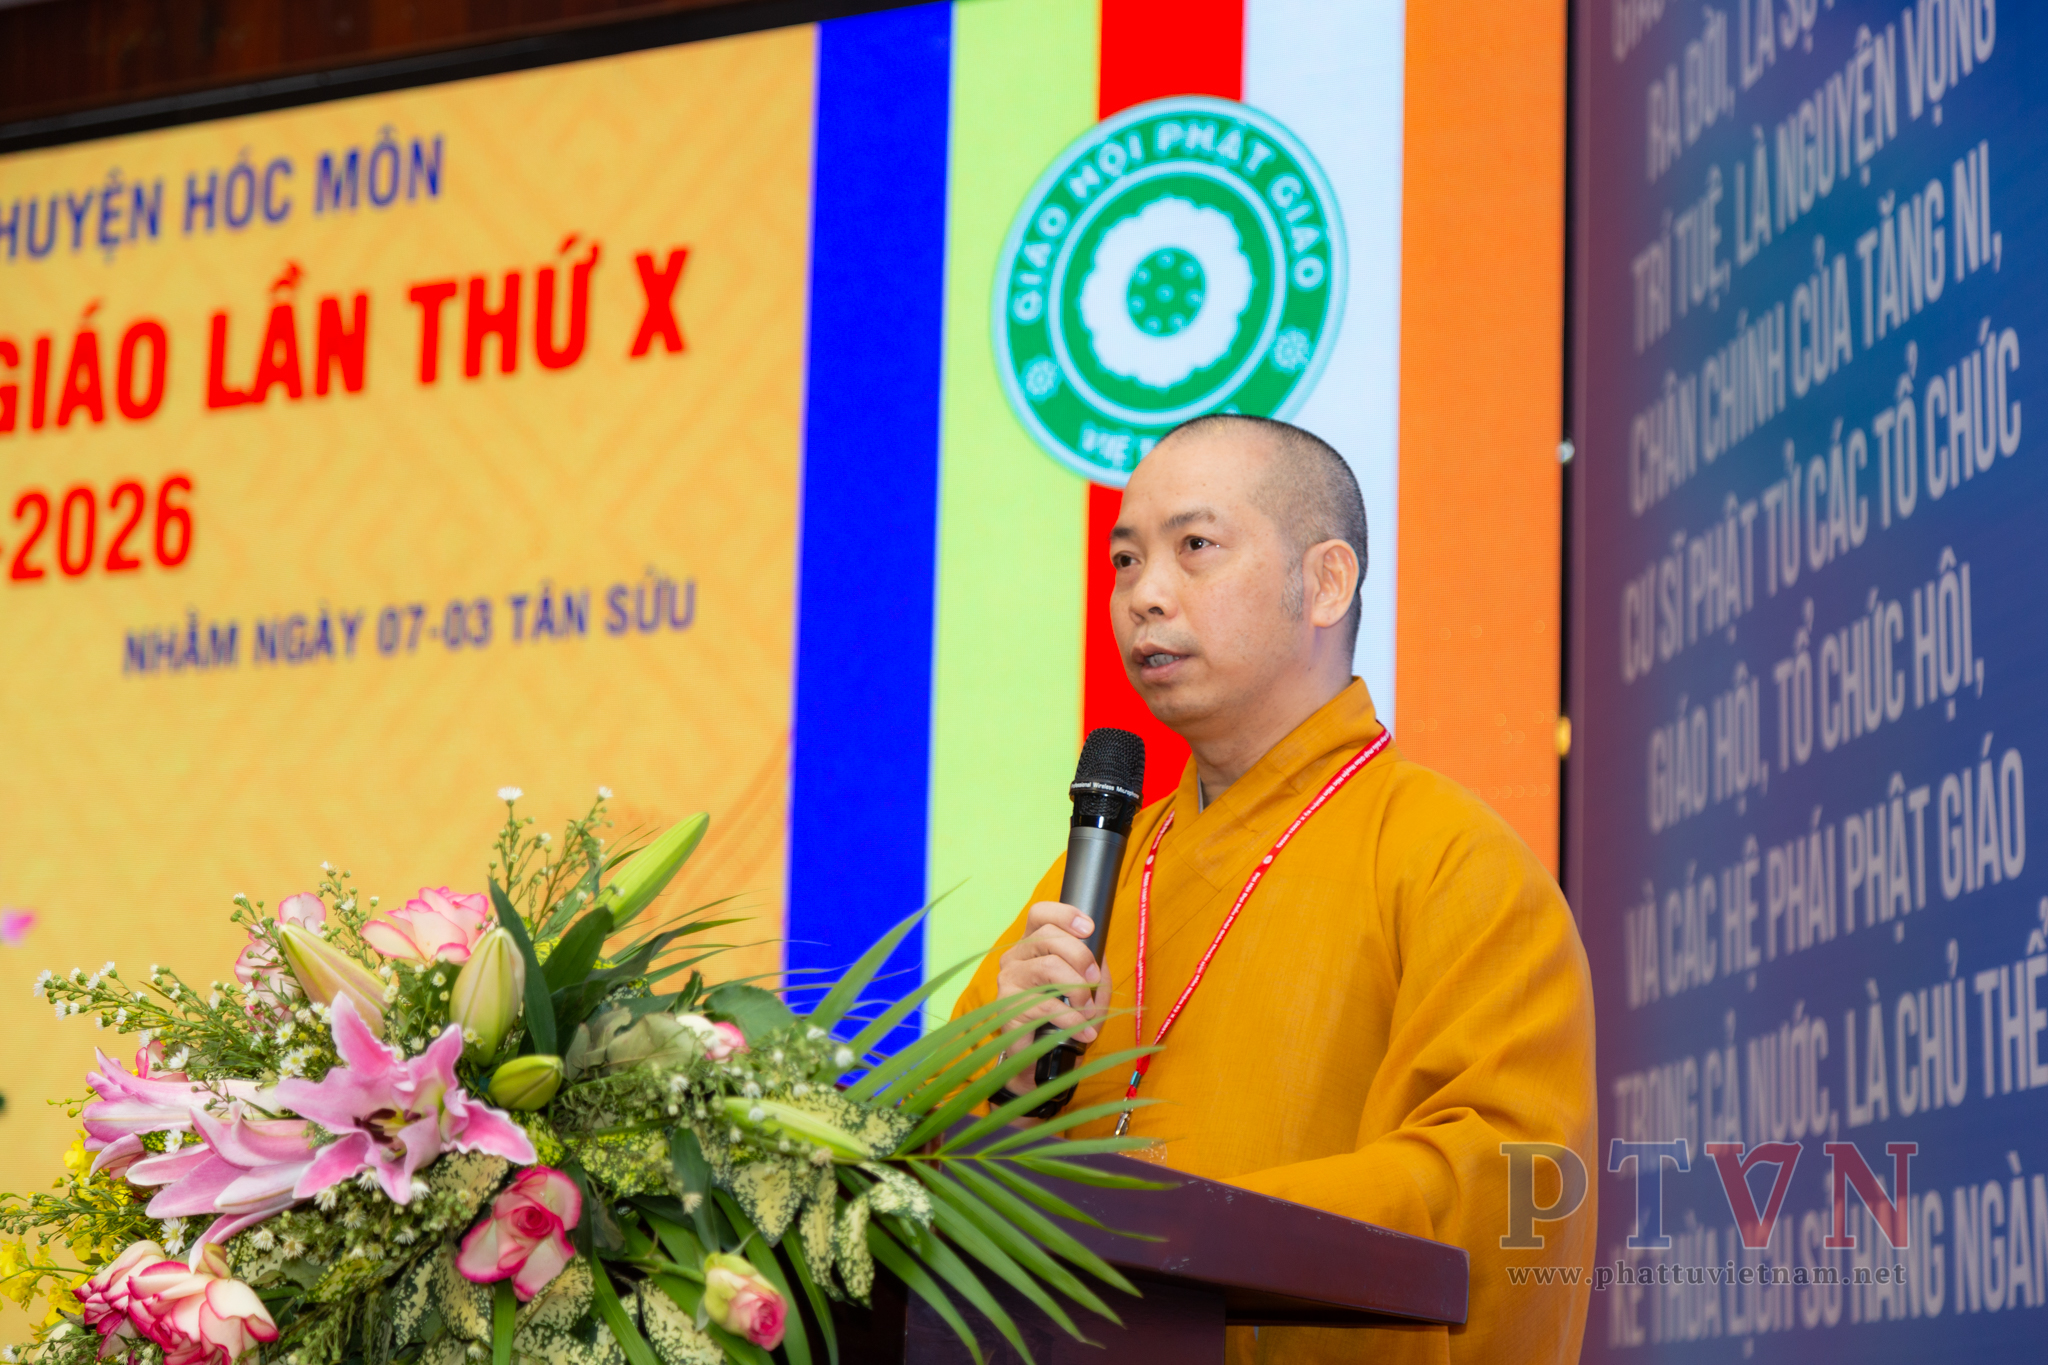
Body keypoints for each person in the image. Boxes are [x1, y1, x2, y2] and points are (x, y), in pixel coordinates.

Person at [949, 414, 1595, 1364]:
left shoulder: (1454, 862)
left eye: (1194, 547)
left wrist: (1181, 1231)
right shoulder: (1101, 868)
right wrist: (1001, 1080)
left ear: (1326, 582)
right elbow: (929, 1183)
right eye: (1126, 560)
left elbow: (1503, 1189)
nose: (1143, 595)